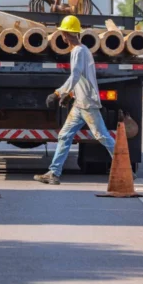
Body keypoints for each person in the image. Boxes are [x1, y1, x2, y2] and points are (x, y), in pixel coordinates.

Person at [34, 15, 116, 185]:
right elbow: (81, 78)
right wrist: (70, 95)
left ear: (65, 34)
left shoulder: (78, 51)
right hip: (80, 102)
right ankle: (54, 173)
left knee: (101, 135)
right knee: (64, 135)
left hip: (86, 102)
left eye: (62, 33)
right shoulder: (82, 49)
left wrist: (58, 93)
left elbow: (76, 75)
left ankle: (124, 167)